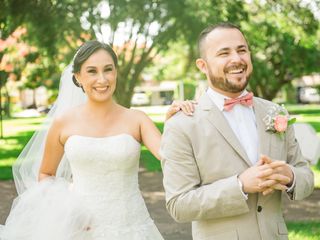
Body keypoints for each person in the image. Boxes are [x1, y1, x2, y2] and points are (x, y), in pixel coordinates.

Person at [0, 40, 195, 240]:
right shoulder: (63, 123)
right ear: (78, 77)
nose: (102, 79)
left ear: (116, 72)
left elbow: (169, 155)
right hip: (83, 229)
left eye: (108, 70)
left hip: (132, 226)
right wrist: (69, 211)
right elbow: (46, 173)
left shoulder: (137, 119)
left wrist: (173, 124)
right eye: (92, 71)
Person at [160, 22, 314, 240]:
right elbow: (178, 204)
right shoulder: (182, 125)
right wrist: (240, 185)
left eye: (242, 50)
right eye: (224, 53)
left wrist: (289, 176)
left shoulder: (275, 111)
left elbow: (305, 174)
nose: (236, 59)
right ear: (203, 65)